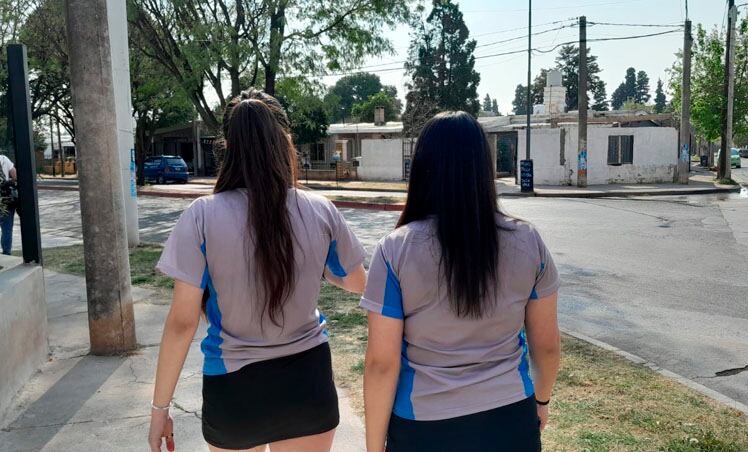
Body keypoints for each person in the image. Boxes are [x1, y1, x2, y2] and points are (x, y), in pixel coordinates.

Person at [147, 89, 367, 452]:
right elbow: (356, 280)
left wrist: (160, 409)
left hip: (235, 393)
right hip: (307, 382)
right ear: (285, 143)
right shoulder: (321, 210)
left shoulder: (201, 216)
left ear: (227, 147)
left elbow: (183, 322)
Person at [361, 111, 561, 452]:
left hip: (423, 427)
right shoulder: (528, 241)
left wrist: (373, 445)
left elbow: (382, 364)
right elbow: (547, 346)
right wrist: (540, 401)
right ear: (484, 168)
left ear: (422, 168)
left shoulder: (395, 250)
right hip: (510, 419)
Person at [0, 153, 17, 255]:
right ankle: (6, 253)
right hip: (5, 201)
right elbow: (14, 175)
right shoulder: (3, 159)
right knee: (6, 229)